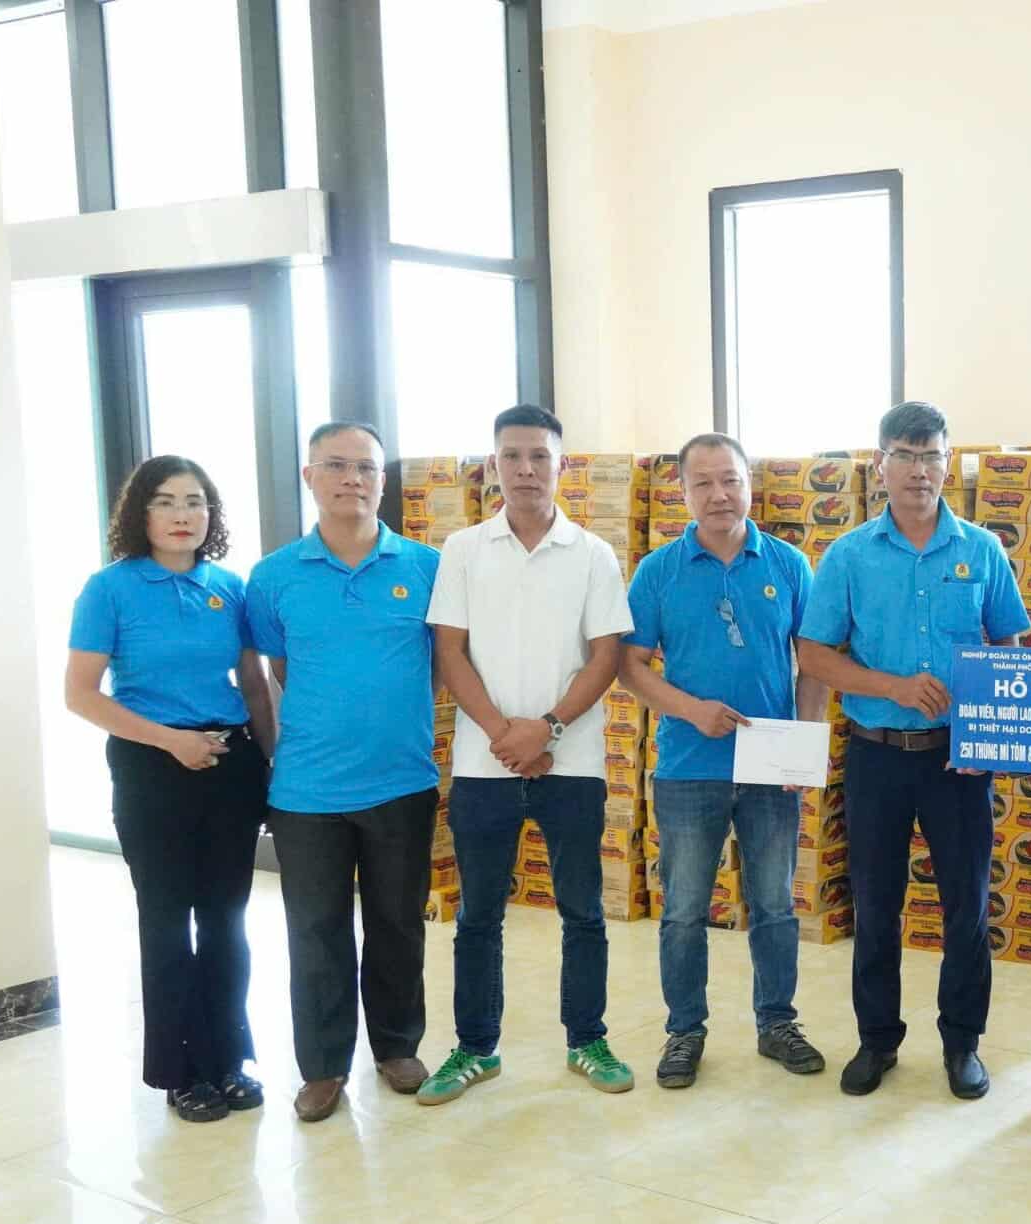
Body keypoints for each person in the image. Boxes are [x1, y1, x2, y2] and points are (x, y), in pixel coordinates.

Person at [796, 400, 1029, 1100]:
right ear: (881, 465)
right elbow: (813, 654)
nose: (919, 470)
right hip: (875, 756)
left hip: (958, 761)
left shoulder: (982, 550)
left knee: (966, 905)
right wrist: (893, 686)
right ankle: (877, 1040)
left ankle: (963, 1042)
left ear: (948, 463)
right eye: (905, 454)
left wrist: (986, 728)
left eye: (931, 456)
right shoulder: (850, 554)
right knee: (876, 903)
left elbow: (1009, 645)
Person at [413, 404, 637, 1105]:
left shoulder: (594, 553)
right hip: (485, 767)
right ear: (494, 466)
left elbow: (607, 655)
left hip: (571, 764)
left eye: (540, 455)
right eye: (512, 456)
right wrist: (505, 733)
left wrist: (546, 727)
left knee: (583, 911)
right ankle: (475, 1047)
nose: (526, 469)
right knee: (479, 913)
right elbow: (449, 650)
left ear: (560, 464)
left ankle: (587, 1037)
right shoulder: (463, 550)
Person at [64, 456, 276, 1123]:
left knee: (226, 921)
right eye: (166, 502)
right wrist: (169, 740)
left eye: (196, 502)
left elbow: (252, 684)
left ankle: (227, 1059)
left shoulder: (230, 587)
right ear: (141, 514)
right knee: (165, 922)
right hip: (152, 765)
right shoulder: (110, 589)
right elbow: (79, 695)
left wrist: (272, 764)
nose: (184, 515)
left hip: (231, 763)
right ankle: (179, 1070)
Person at [618, 432, 828, 1090]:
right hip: (688, 764)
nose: (719, 493)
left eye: (730, 480)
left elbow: (815, 663)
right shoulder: (658, 571)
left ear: (749, 485)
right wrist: (688, 709)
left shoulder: (790, 564)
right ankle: (685, 1030)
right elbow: (630, 669)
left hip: (770, 768)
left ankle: (777, 1023)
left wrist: (805, 737)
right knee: (683, 909)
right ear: (682, 492)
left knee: (773, 903)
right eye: (703, 482)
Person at [245, 421, 440, 1123]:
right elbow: (277, 669)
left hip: (402, 781)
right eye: (336, 465)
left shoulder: (424, 566)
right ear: (310, 476)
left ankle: (396, 1046)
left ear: (383, 482)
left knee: (396, 923)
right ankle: (322, 1067)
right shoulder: (273, 576)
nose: (351, 478)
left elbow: (445, 664)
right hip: (306, 790)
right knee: (316, 930)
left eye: (365, 467)